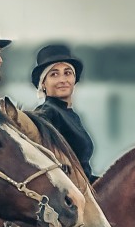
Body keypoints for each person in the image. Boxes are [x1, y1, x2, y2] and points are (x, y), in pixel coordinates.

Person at [29, 43, 96, 181]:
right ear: (43, 83)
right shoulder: (46, 114)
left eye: (67, 73)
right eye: (54, 74)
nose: (62, 80)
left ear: (74, 79)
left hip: (87, 186)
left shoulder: (72, 115)